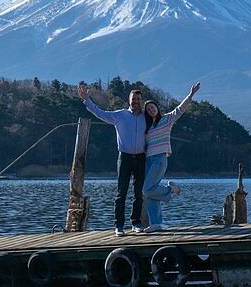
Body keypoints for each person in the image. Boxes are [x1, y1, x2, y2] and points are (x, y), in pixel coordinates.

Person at [77, 84, 146, 237]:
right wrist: (87, 100)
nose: (135, 101)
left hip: (141, 157)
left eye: (138, 99)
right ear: (129, 101)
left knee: (138, 193)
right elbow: (100, 113)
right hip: (125, 157)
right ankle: (119, 225)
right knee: (121, 192)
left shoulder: (145, 117)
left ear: (142, 101)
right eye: (133, 99)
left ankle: (136, 222)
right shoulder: (120, 115)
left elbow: (163, 120)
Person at [142, 82, 200, 233]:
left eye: (152, 107)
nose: (151, 110)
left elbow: (180, 110)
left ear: (157, 108)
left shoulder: (167, 120)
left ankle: (172, 189)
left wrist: (190, 95)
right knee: (150, 192)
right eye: (148, 109)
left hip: (160, 159)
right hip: (147, 160)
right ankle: (156, 223)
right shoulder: (146, 126)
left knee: (147, 190)